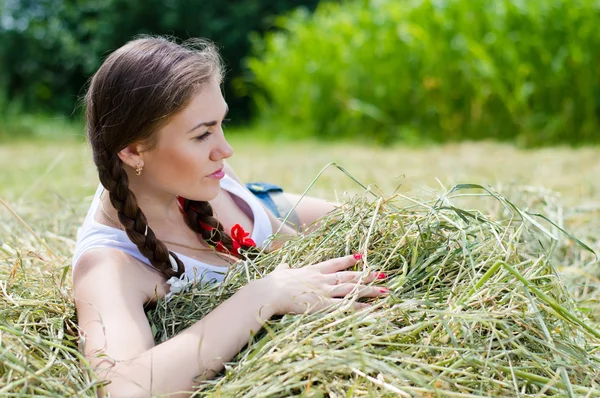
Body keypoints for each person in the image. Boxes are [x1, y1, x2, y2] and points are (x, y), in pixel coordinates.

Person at [73, 36, 388, 397]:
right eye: (203, 134)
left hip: (270, 205)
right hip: (266, 219)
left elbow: (291, 248)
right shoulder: (108, 266)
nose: (226, 150)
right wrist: (263, 296)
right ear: (131, 151)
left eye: (221, 124)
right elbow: (125, 390)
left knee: (391, 222)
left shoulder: (198, 176)